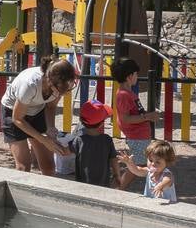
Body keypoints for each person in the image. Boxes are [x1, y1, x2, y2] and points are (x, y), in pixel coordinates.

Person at [0, 56, 76, 175]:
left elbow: (50, 107)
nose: (63, 93)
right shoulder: (29, 84)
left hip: (37, 110)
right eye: (60, 90)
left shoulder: (60, 84)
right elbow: (17, 119)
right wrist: (44, 140)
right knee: (23, 167)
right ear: (50, 81)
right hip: (13, 113)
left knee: (49, 166)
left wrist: (50, 128)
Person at [112, 57, 160, 190]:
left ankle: (120, 185)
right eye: (136, 74)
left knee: (141, 164)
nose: (137, 76)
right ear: (129, 76)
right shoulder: (123, 95)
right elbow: (125, 118)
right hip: (136, 136)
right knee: (136, 166)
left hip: (140, 135)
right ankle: (119, 187)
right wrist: (147, 116)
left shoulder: (128, 93)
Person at [68, 99, 122, 188]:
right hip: (103, 185)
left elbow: (64, 151)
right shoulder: (107, 140)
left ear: (81, 121)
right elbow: (114, 159)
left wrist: (51, 142)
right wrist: (117, 175)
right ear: (101, 124)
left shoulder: (78, 140)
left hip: (82, 185)